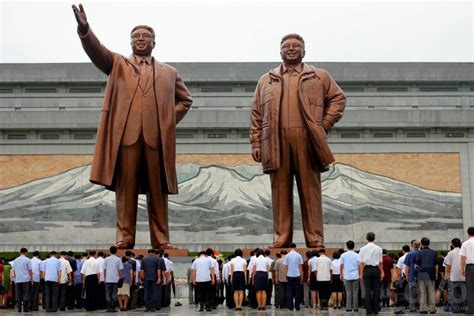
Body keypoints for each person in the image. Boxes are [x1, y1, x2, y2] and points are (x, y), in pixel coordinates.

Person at [72, 4, 192, 250]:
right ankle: (125, 238)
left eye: (145, 36)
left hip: (156, 140)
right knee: (125, 192)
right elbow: (98, 52)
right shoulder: (117, 64)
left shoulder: (169, 72)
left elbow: (186, 100)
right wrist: (85, 30)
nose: (140, 39)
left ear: (154, 43)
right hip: (126, 138)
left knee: (158, 191)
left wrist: (167, 122)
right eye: (135, 36)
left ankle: (161, 239)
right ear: (130, 42)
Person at [250, 33, 345, 248]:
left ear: (304, 51)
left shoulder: (319, 76)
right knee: (280, 191)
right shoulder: (266, 80)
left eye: (296, 46)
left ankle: (315, 237)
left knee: (310, 190)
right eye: (286, 46)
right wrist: (256, 143)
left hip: (307, 139)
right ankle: (282, 236)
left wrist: (323, 125)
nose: (291, 49)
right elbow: (256, 113)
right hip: (275, 141)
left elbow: (338, 98)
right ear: (280, 51)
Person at [358, 232, 383, 315]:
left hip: (367, 269)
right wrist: (382, 272)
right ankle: (376, 309)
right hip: (376, 269)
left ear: (366, 238)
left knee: (367, 290)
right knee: (376, 290)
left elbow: (361, 263)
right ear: (374, 238)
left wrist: (361, 274)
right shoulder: (379, 248)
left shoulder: (362, 249)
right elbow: (380, 263)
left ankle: (368, 310)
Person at [415, 237, 438, 313]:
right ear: (429, 243)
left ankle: (423, 309)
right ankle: (432, 309)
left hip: (422, 274)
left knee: (423, 292)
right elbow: (436, 265)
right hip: (431, 273)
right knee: (431, 291)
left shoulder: (419, 253)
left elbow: (416, 265)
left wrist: (419, 271)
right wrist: (436, 274)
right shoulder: (433, 252)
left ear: (421, 244)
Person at [444, 238, 465, 313]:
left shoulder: (450, 253)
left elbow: (448, 266)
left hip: (454, 276)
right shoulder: (464, 252)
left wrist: (446, 274)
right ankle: (464, 308)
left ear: (452, 244)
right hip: (463, 275)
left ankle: (457, 309)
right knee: (464, 292)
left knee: (456, 294)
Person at [283, 243, 304, 311]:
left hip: (289, 275)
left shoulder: (287, 255)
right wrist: (302, 276)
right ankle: (297, 306)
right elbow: (300, 267)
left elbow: (286, 267)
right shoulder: (299, 255)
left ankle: (290, 306)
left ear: (289, 247)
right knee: (297, 291)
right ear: (295, 247)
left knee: (289, 291)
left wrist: (286, 276)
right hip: (297, 275)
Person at [340, 240, 360, 312]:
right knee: (355, 292)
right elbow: (359, 266)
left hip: (347, 275)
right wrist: (360, 275)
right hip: (356, 275)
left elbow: (341, 265)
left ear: (347, 246)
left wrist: (341, 274)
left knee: (348, 291)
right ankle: (355, 307)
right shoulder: (357, 255)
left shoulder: (343, 255)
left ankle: (348, 307)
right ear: (354, 246)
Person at [103, 246, 124, 312]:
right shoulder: (118, 259)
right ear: (116, 251)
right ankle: (113, 308)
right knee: (114, 294)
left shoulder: (106, 259)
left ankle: (108, 308)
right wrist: (121, 277)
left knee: (108, 293)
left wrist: (104, 278)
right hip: (115, 279)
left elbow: (104, 270)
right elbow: (120, 270)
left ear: (110, 251)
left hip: (108, 279)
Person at [12, 248, 32, 313]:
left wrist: (15, 279)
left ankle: (19, 309)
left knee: (19, 295)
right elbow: (30, 270)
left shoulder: (15, 260)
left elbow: (14, 271)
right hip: (25, 279)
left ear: (20, 252)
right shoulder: (28, 260)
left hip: (18, 279)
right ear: (26, 252)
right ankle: (25, 309)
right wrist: (31, 279)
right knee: (26, 294)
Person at [460, 226, 474, 314]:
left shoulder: (465, 243)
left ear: (468, 233)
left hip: (470, 268)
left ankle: (471, 309)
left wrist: (462, 269)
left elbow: (463, 258)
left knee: (470, 288)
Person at [404, 240, 420, 312]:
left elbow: (407, 266)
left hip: (412, 276)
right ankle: (420, 306)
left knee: (412, 292)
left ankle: (413, 308)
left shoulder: (409, 254)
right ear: (419, 245)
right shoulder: (421, 253)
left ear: (413, 245)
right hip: (421, 276)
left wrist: (406, 275)